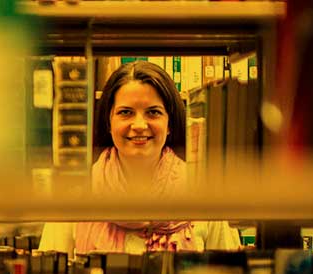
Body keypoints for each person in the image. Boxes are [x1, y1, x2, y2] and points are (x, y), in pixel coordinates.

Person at [39, 60, 240, 256]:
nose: (139, 125)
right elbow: (47, 272)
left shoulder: (205, 192)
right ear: (109, 122)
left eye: (153, 112)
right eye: (126, 112)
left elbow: (230, 273)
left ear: (170, 124)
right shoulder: (75, 192)